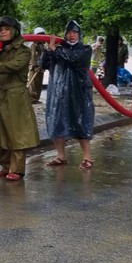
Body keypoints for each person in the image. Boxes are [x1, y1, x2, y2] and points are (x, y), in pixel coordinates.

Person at [0, 16, 40, 181]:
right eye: (1, 30)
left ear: (14, 31)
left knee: (17, 133)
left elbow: (12, 66)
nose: (3, 32)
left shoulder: (23, 51)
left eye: (6, 29)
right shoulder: (1, 51)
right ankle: (5, 165)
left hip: (16, 96)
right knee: (2, 131)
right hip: (1, 95)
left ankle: (17, 169)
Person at [41, 20, 94, 170]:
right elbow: (43, 64)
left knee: (81, 122)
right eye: (69, 32)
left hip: (79, 93)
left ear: (79, 34)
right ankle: (60, 156)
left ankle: (87, 158)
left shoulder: (85, 49)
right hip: (58, 94)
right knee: (57, 122)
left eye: (74, 32)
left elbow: (74, 59)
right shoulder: (57, 49)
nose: (71, 35)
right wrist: (48, 51)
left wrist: (55, 50)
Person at [28, 27, 47, 104]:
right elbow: (33, 57)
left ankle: (36, 98)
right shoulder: (34, 45)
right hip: (35, 68)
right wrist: (35, 66)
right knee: (33, 84)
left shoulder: (42, 45)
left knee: (39, 83)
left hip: (40, 67)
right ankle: (32, 98)